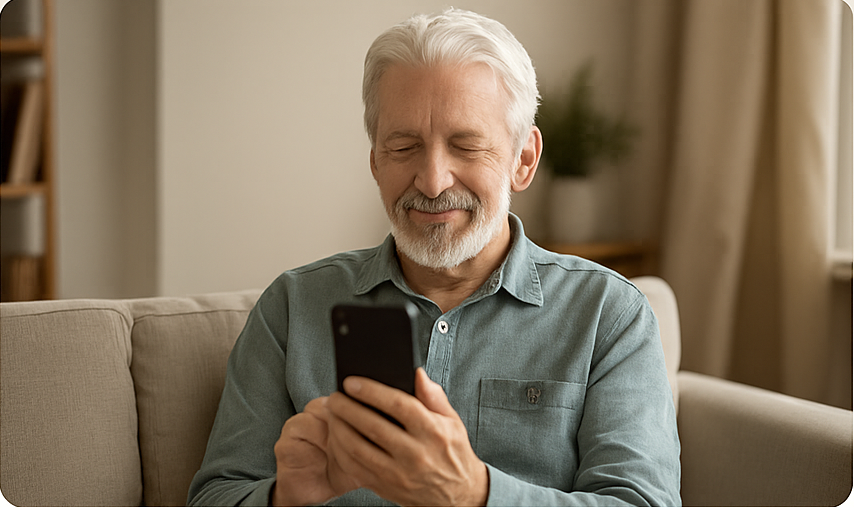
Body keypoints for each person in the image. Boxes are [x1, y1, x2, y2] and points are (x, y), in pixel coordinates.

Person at [187, 8, 681, 506]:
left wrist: (476, 493)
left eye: (465, 146)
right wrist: (284, 498)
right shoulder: (292, 308)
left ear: (523, 160)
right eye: (403, 147)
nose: (432, 180)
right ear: (376, 162)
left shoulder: (609, 314)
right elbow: (215, 495)